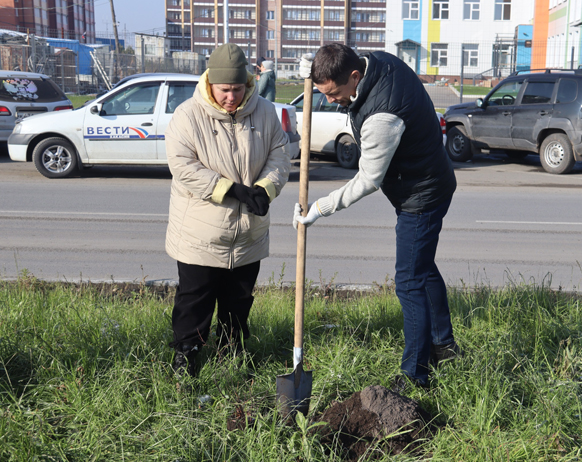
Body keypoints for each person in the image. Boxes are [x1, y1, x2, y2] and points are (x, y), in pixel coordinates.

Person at [293, 44, 460, 392]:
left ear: (354, 77)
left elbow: (367, 180)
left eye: (333, 93)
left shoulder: (383, 117)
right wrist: (311, 68)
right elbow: (334, 65)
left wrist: (319, 209)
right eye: (322, 93)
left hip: (422, 195)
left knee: (409, 281)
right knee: (422, 266)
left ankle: (415, 375)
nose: (329, 100)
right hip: (425, 179)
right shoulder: (372, 62)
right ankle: (445, 345)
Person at [165, 43, 291, 377]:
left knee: (238, 301)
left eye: (237, 89)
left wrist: (266, 188)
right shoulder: (188, 115)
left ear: (248, 83)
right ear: (210, 84)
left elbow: (280, 155)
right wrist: (229, 189)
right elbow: (182, 166)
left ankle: (231, 351)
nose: (231, 98)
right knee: (194, 301)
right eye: (224, 90)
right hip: (200, 233)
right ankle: (185, 357)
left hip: (249, 232)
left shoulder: (264, 111)